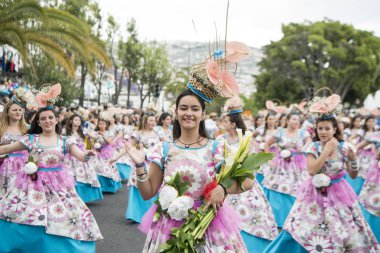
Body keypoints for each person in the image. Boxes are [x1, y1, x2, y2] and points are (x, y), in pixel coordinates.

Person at [264, 94, 379, 252]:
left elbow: (353, 175)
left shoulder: (344, 147)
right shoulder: (313, 147)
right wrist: (326, 151)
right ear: (316, 129)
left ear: (334, 129)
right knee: (306, 228)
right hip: (314, 195)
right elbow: (312, 170)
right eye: (320, 128)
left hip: (340, 194)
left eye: (327, 128)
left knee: (343, 230)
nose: (323, 132)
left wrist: (352, 160)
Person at [0, 86, 102, 253]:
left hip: (58, 185)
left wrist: (88, 155)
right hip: (32, 183)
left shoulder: (65, 140)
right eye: (43, 119)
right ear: (38, 122)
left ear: (56, 120)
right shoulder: (30, 139)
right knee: (23, 213)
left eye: (50, 118)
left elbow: (80, 156)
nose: (47, 121)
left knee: (64, 217)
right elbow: (5, 149)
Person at [218, 97, 278, 253]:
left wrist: (244, 172)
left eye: (225, 121)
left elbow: (254, 161)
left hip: (244, 183)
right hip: (226, 184)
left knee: (250, 213)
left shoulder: (247, 139)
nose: (222, 124)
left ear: (233, 124)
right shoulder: (220, 140)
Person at [262, 110, 312, 227]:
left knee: (297, 189)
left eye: (298, 119)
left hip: (298, 166)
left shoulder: (303, 133)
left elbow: (309, 143)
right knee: (278, 188)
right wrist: (269, 159)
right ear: (287, 120)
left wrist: (304, 147)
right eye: (294, 119)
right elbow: (267, 144)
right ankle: (279, 219)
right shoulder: (280, 132)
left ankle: (295, 218)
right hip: (281, 165)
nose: (297, 121)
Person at [63, 114, 103, 203]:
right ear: (71, 121)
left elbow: (94, 136)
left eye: (79, 120)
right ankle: (73, 196)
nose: (78, 122)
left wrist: (99, 137)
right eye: (76, 120)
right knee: (72, 176)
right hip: (70, 157)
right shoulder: (65, 131)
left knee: (86, 175)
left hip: (82, 155)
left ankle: (84, 197)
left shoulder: (83, 131)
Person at [0, 100, 28, 200]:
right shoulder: (1, 128)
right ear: (7, 112)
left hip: (23, 165)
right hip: (4, 165)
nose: (18, 112)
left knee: (19, 194)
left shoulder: (27, 129)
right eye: (14, 110)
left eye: (20, 110)